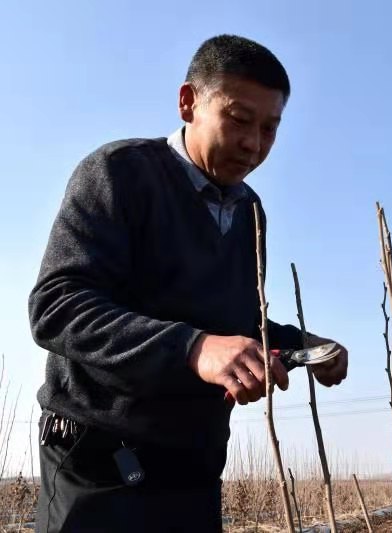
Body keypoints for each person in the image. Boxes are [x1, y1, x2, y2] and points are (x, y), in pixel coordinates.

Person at [28, 34, 348, 533]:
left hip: (193, 468)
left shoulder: (249, 211)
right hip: (98, 464)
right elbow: (58, 306)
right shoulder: (119, 173)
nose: (253, 143)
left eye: (270, 128)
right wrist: (194, 348)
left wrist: (302, 346)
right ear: (188, 103)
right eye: (239, 120)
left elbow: (234, 324)